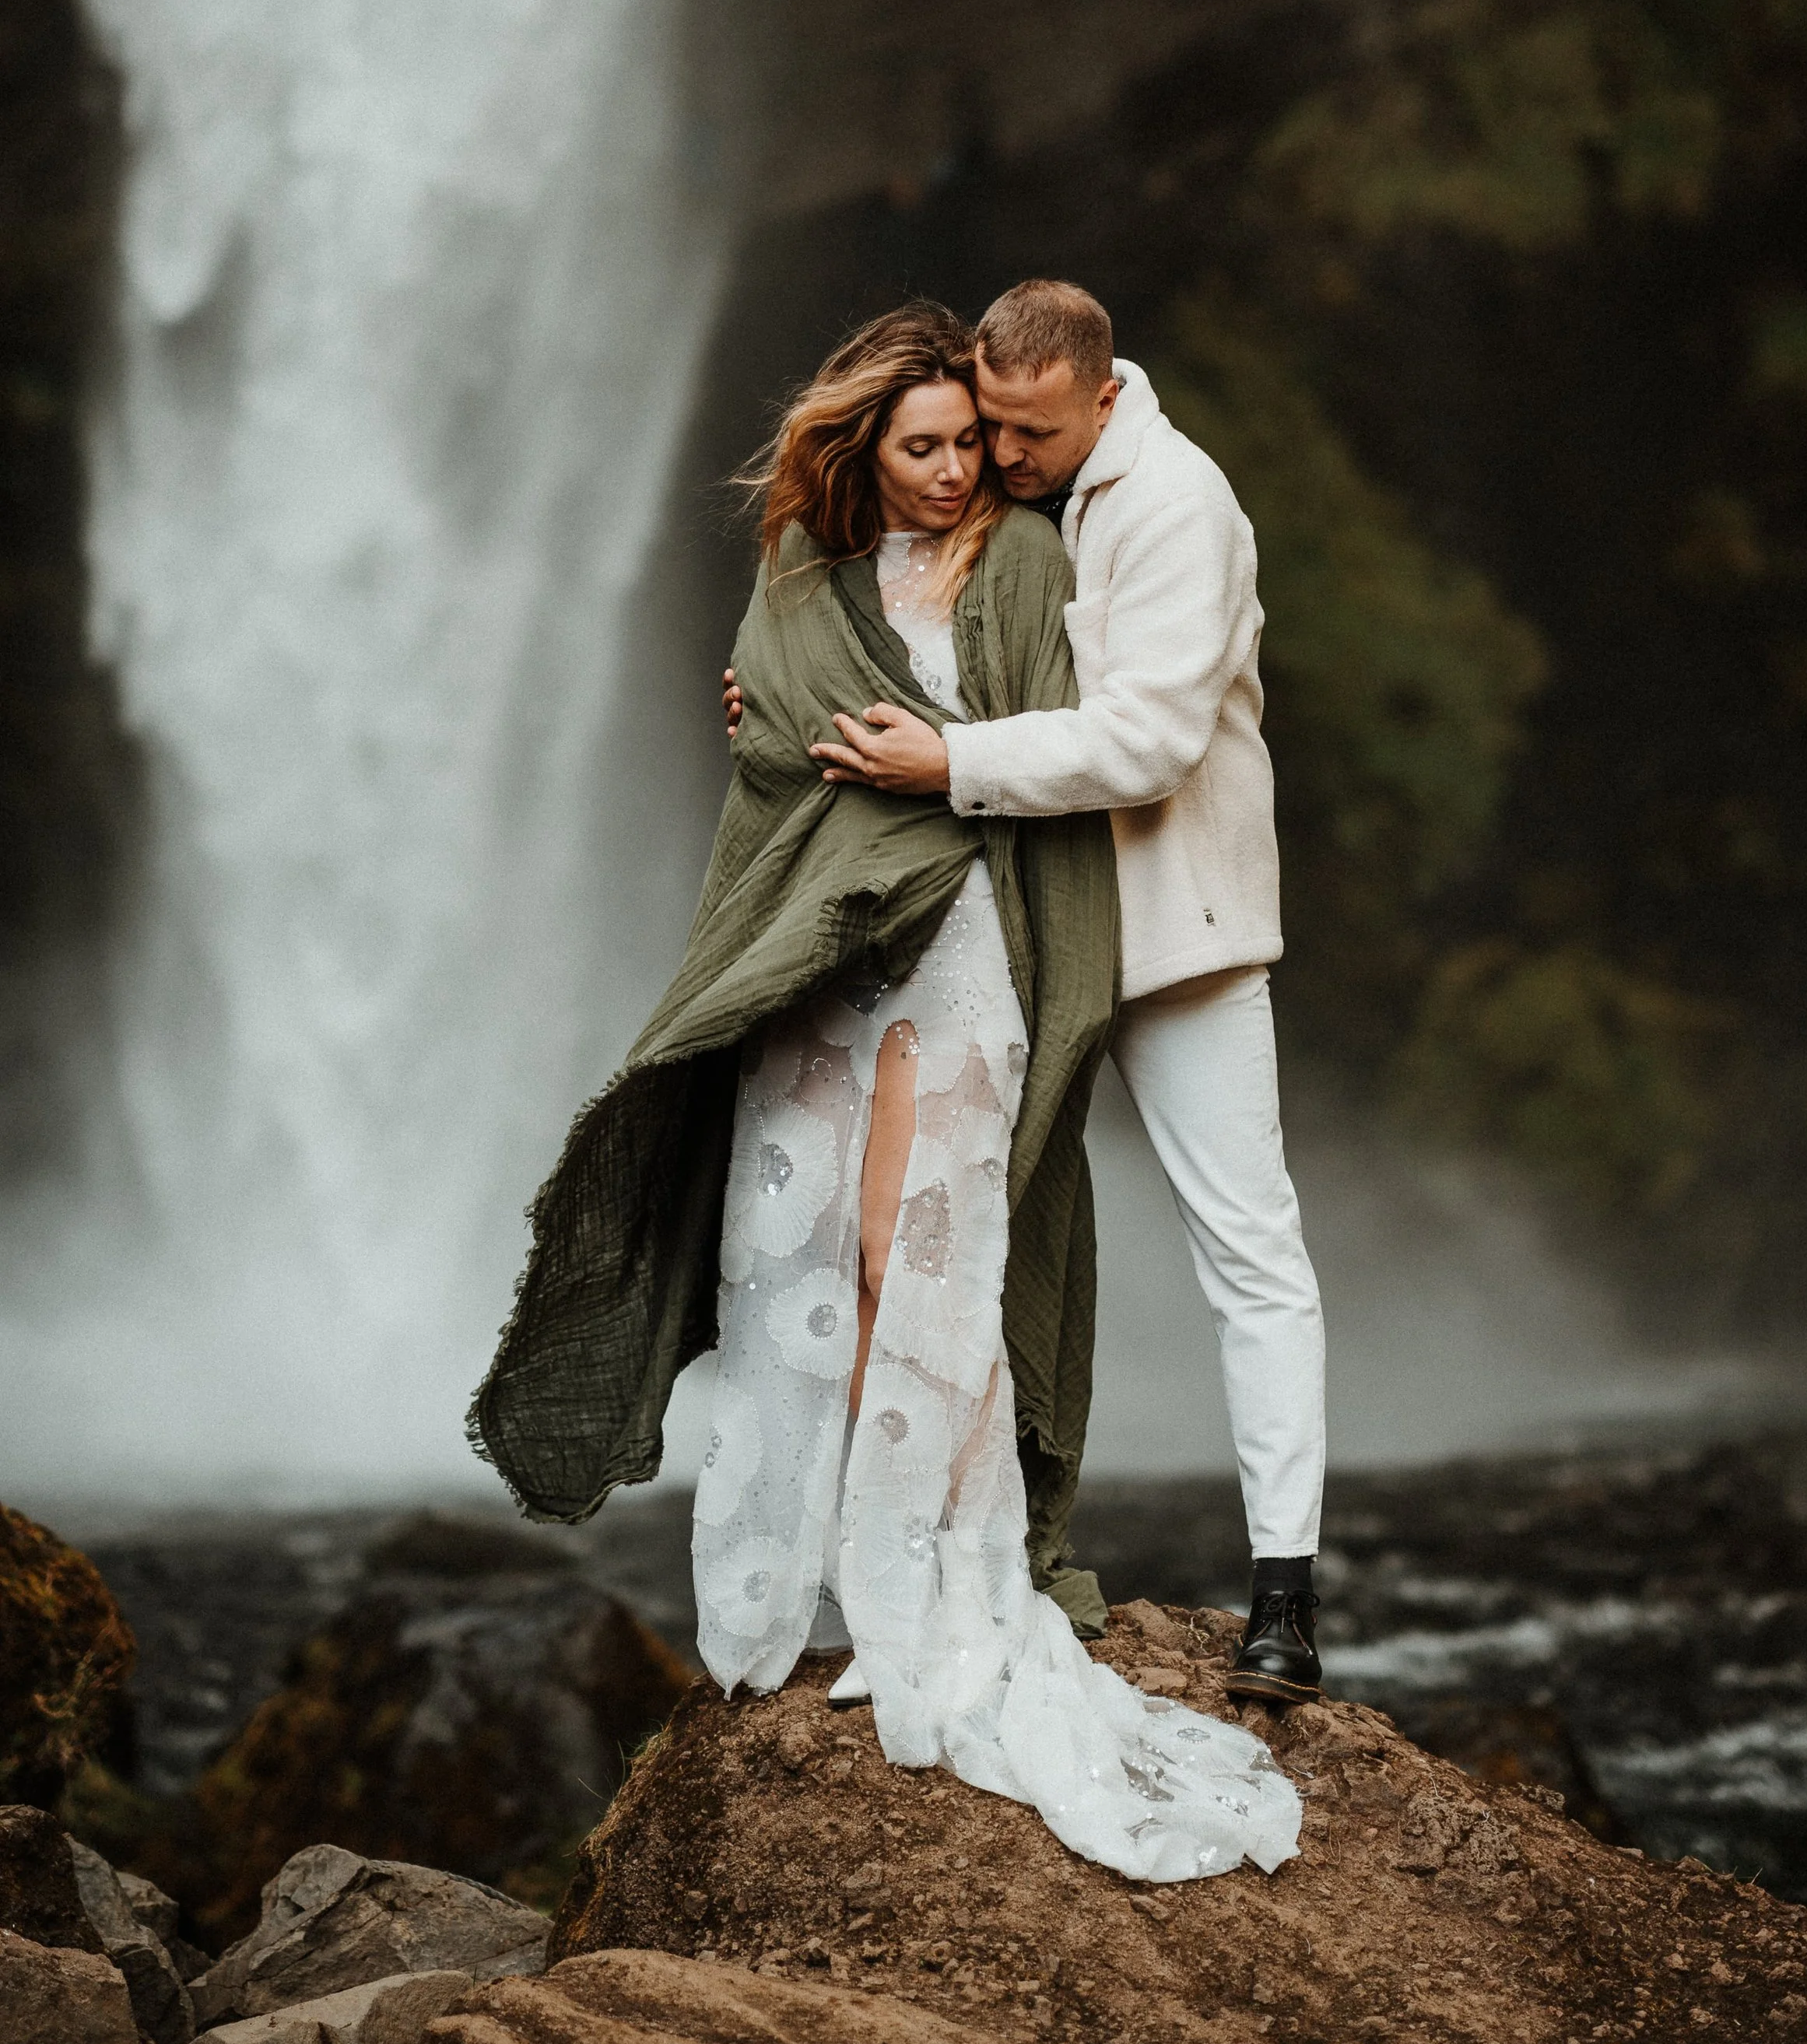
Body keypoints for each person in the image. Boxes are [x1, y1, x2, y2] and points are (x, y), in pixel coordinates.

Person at [475, 303, 1300, 1883]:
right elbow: (780, 730)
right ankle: (805, 1594)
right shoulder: (810, 581)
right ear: (862, 449)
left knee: (911, 1258)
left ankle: (940, 1595)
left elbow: (1106, 720)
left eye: (972, 443)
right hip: (821, 947)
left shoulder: (1034, 564)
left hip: (966, 935)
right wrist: (776, 722)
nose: (954, 469)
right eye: (920, 445)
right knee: (788, 1264)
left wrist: (937, 760)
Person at [785, 279, 1328, 1710]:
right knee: (973, 1225)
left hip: (1179, 931)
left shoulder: (1178, 507)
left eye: (1024, 432)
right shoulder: (1026, 503)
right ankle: (975, 1555)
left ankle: (1285, 1592)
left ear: (1100, 395)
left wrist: (946, 768)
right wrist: (776, 695)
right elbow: (911, 624)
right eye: (988, 423)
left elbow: (1145, 741)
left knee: (1247, 1242)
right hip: (1032, 928)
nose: (998, 455)